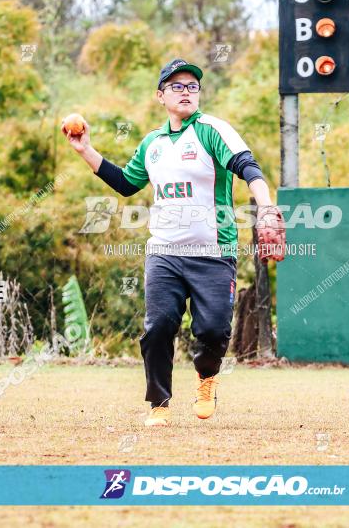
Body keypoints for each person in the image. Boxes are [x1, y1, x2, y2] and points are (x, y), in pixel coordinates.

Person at [63, 58, 285, 427]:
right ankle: (159, 405)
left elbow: (250, 168)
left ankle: (206, 377)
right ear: (160, 95)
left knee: (213, 330)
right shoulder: (153, 143)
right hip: (164, 251)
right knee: (159, 326)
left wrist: (266, 208)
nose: (186, 92)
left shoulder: (213, 130)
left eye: (192, 86)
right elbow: (126, 183)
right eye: (177, 86)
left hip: (213, 252)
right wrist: (85, 149)